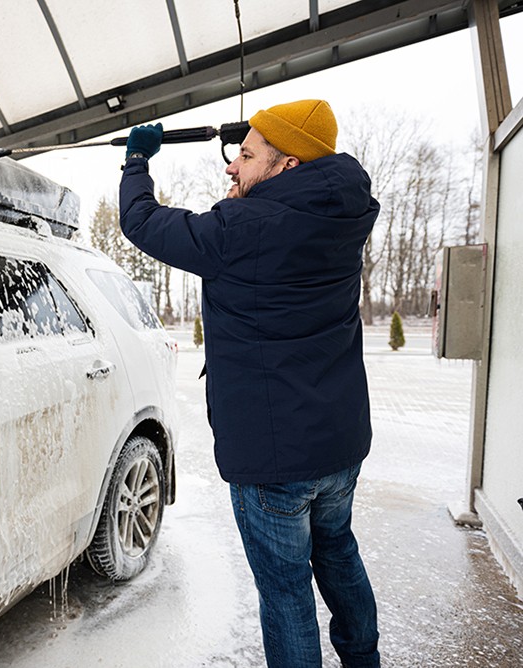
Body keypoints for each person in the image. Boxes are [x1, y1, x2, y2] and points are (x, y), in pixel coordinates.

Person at [119, 100, 380, 668]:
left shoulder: (240, 229)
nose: (231, 166)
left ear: (287, 166)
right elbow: (281, 187)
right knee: (339, 556)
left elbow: (140, 222)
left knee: (286, 593)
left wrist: (137, 161)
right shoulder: (347, 214)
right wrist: (255, 143)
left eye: (245, 155)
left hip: (274, 457)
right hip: (338, 445)